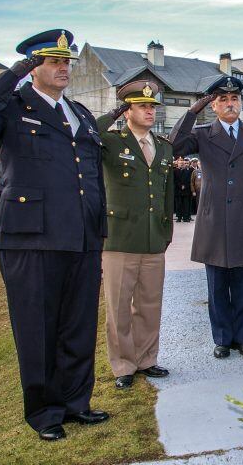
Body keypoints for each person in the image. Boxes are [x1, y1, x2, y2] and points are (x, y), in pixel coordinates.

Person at [0, 29, 109, 441]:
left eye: (68, 62)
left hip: (82, 235)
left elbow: (90, 174)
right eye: (53, 61)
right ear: (32, 65)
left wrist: (99, 226)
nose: (64, 68)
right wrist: (16, 72)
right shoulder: (12, 106)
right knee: (37, 327)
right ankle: (45, 413)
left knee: (78, 325)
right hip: (32, 237)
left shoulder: (79, 111)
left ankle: (77, 402)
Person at [170, 75, 243, 359]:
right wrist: (192, 111)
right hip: (214, 218)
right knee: (217, 286)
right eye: (223, 99)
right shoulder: (202, 134)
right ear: (213, 106)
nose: (230, 103)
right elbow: (175, 145)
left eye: (234, 99)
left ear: (241, 103)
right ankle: (223, 339)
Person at [96, 80, 174, 389]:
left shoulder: (164, 146)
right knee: (118, 307)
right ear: (128, 110)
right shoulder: (112, 141)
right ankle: (123, 365)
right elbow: (86, 132)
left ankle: (146, 359)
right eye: (142, 106)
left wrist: (166, 231)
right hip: (120, 237)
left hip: (153, 238)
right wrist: (115, 111)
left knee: (149, 303)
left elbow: (165, 194)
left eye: (153, 106)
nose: (150, 111)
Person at [173, 157, 193, 222]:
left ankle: (186, 217)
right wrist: (180, 186)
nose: (181, 164)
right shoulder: (175, 171)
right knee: (178, 205)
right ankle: (179, 217)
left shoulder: (188, 171)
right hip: (178, 190)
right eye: (180, 163)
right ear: (177, 164)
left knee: (186, 205)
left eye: (182, 163)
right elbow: (175, 180)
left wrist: (185, 186)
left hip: (186, 190)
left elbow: (189, 180)